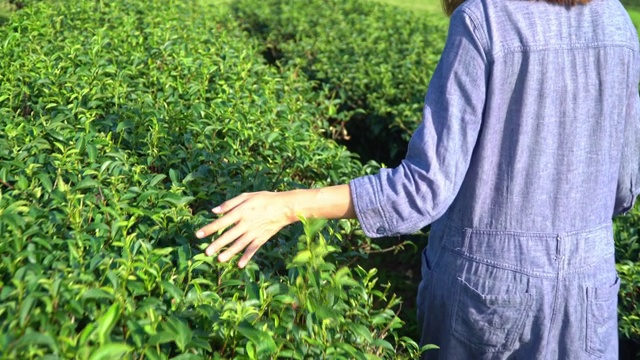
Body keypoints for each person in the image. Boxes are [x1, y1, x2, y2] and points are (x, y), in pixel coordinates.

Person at [196, 0, 640, 357]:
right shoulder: (618, 23)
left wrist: (288, 204)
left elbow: (425, 190)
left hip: (488, 295)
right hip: (590, 291)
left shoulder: (485, 18)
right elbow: (624, 188)